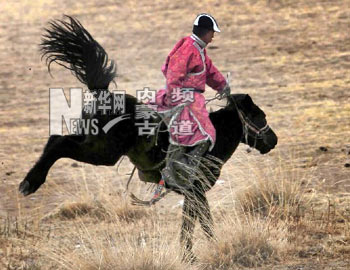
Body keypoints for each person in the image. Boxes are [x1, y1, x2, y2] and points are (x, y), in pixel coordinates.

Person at [153, 13, 231, 191]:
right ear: (205, 32)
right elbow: (174, 74)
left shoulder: (199, 48)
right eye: (212, 33)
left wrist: (222, 86)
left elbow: (209, 71)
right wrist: (175, 98)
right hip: (184, 97)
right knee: (206, 133)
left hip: (193, 98)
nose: (213, 37)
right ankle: (181, 170)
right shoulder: (188, 48)